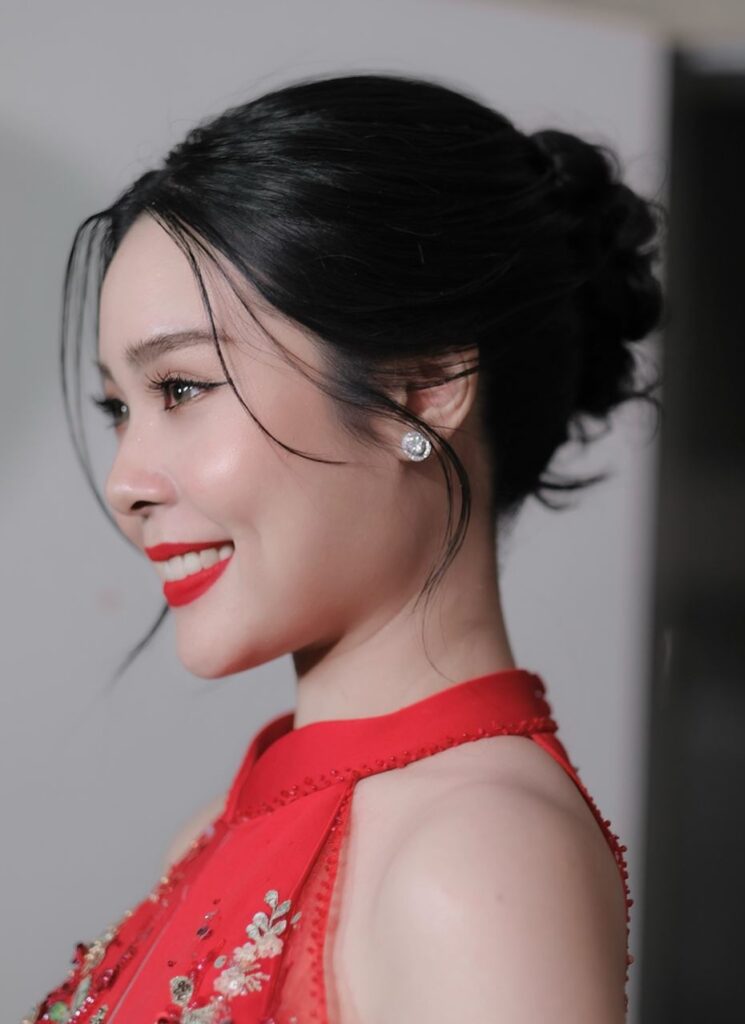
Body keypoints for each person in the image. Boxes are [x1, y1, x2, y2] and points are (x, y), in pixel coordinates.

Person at [26, 71, 664, 1023]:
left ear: (423, 389)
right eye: (119, 407)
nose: (127, 482)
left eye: (182, 389)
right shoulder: (222, 832)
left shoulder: (471, 859)